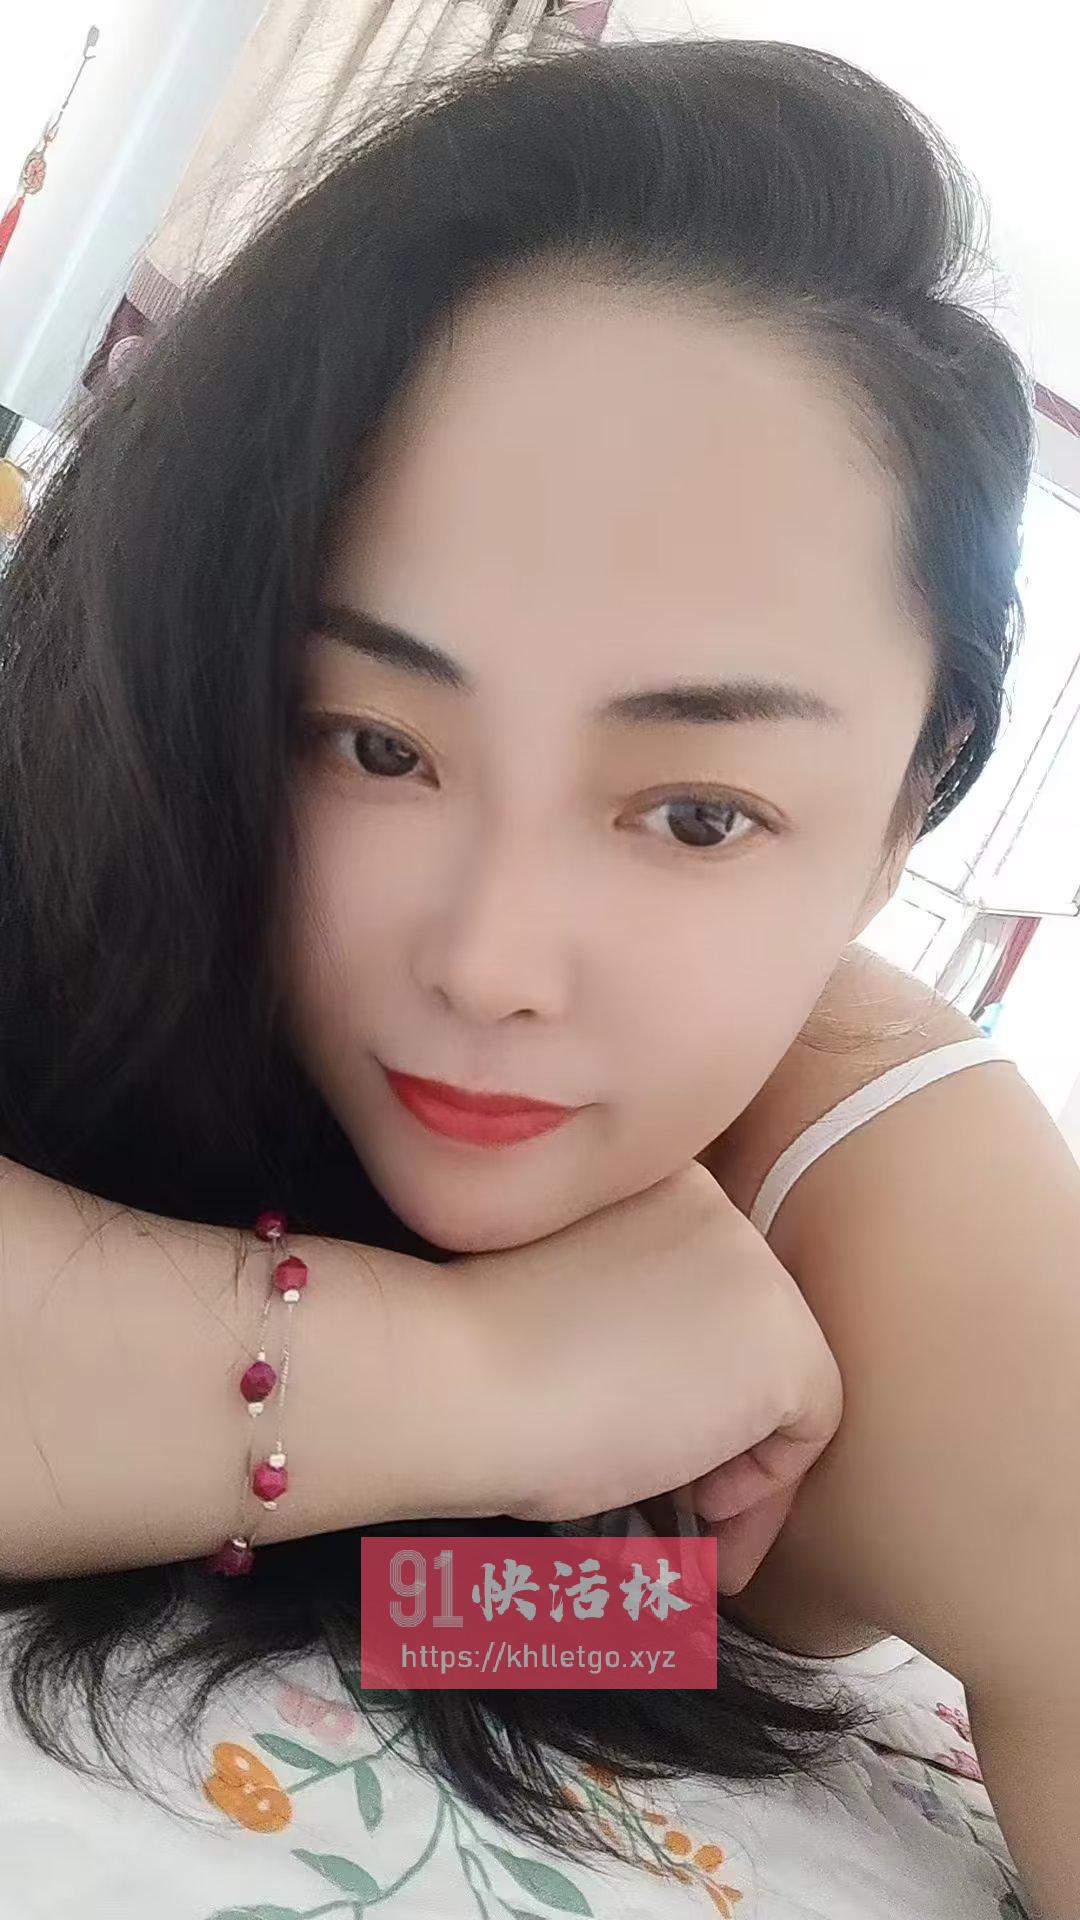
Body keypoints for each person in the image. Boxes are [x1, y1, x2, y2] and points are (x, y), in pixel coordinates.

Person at [0, 34, 1076, 1920]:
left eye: (698, 814)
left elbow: (474, 1615)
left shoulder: (890, 1198)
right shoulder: (74, 785)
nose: (493, 964)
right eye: (375, 743)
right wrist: (483, 1379)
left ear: (906, 817)